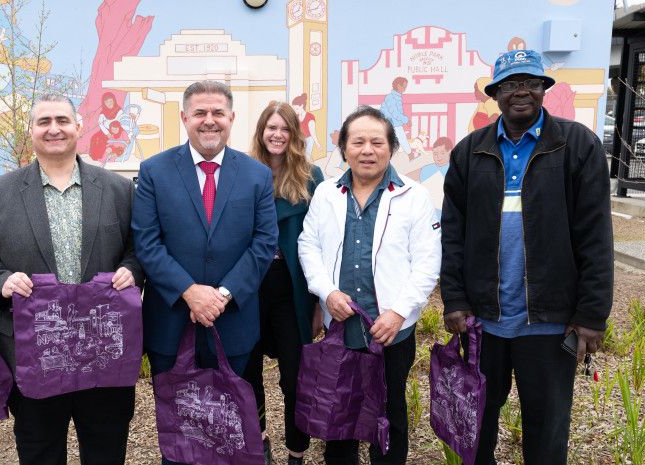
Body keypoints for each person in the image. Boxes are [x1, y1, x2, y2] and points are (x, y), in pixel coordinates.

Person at [440, 49, 613, 465]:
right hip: (486, 320)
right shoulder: (470, 152)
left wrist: (591, 314)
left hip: (550, 321)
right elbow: (453, 234)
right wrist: (456, 299)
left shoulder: (576, 146)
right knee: (479, 420)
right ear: (495, 93)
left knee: (548, 427)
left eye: (532, 83)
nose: (522, 92)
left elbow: (596, 236)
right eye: (511, 84)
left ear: (544, 90)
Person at [0, 94, 144, 465]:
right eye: (43, 121)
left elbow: (138, 248)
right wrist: (2, 282)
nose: (53, 128)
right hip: (35, 352)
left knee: (106, 450)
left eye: (62, 120)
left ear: (79, 127)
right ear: (30, 131)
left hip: (103, 352)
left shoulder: (118, 190)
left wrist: (133, 269)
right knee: (40, 451)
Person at [131, 80, 278, 465]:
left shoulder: (257, 175)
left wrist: (222, 295)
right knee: (180, 430)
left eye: (217, 113)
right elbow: (147, 242)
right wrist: (189, 291)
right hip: (172, 321)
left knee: (230, 431)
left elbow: (264, 244)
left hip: (233, 325)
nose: (208, 121)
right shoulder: (154, 171)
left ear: (231, 118)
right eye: (200, 113)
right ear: (184, 118)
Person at [297, 105, 441, 465]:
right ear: (344, 148)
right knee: (339, 408)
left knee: (390, 409)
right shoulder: (327, 193)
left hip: (390, 330)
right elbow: (308, 245)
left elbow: (427, 262)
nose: (367, 150)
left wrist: (398, 312)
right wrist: (326, 291)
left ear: (391, 148)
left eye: (377, 142)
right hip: (342, 325)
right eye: (357, 141)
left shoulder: (414, 195)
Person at [242, 101, 324, 465]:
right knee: (248, 371)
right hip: (248, 286)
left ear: (294, 134)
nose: (276, 134)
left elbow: (324, 239)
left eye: (284, 128)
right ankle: (258, 439)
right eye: (270, 127)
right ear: (261, 132)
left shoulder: (311, 177)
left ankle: (296, 450)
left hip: (293, 288)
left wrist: (321, 301)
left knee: (295, 377)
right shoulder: (242, 173)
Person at [380, 77, 411, 153]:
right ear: (398, 86)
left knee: (399, 138)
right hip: (389, 122)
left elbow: (398, 113)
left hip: (393, 122)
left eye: (405, 87)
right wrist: (406, 120)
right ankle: (410, 154)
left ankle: (410, 154)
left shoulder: (397, 97)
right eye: (404, 87)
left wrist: (404, 120)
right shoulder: (390, 97)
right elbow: (395, 112)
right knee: (401, 137)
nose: (404, 89)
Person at [291, 93, 322, 160]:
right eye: (294, 109)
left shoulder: (309, 117)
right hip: (299, 139)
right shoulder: (296, 117)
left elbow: (312, 132)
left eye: (296, 109)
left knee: (306, 158)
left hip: (309, 139)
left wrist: (317, 143)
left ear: (301, 106)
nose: (295, 111)